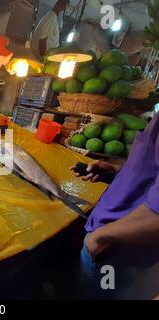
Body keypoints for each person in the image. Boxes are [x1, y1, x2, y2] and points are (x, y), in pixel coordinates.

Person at [71, 113, 159, 300]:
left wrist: (99, 238)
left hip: (115, 252)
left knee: (100, 295)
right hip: (110, 244)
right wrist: (117, 172)